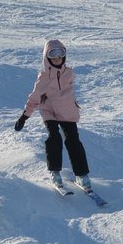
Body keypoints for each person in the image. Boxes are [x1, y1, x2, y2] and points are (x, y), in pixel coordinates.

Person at [14, 39, 94, 191]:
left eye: (60, 54)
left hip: (67, 111)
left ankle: (82, 175)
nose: (57, 58)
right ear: (47, 58)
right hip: (49, 111)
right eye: (53, 55)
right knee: (54, 138)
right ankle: (55, 172)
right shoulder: (44, 77)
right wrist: (24, 116)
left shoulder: (69, 73)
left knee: (73, 141)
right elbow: (34, 97)